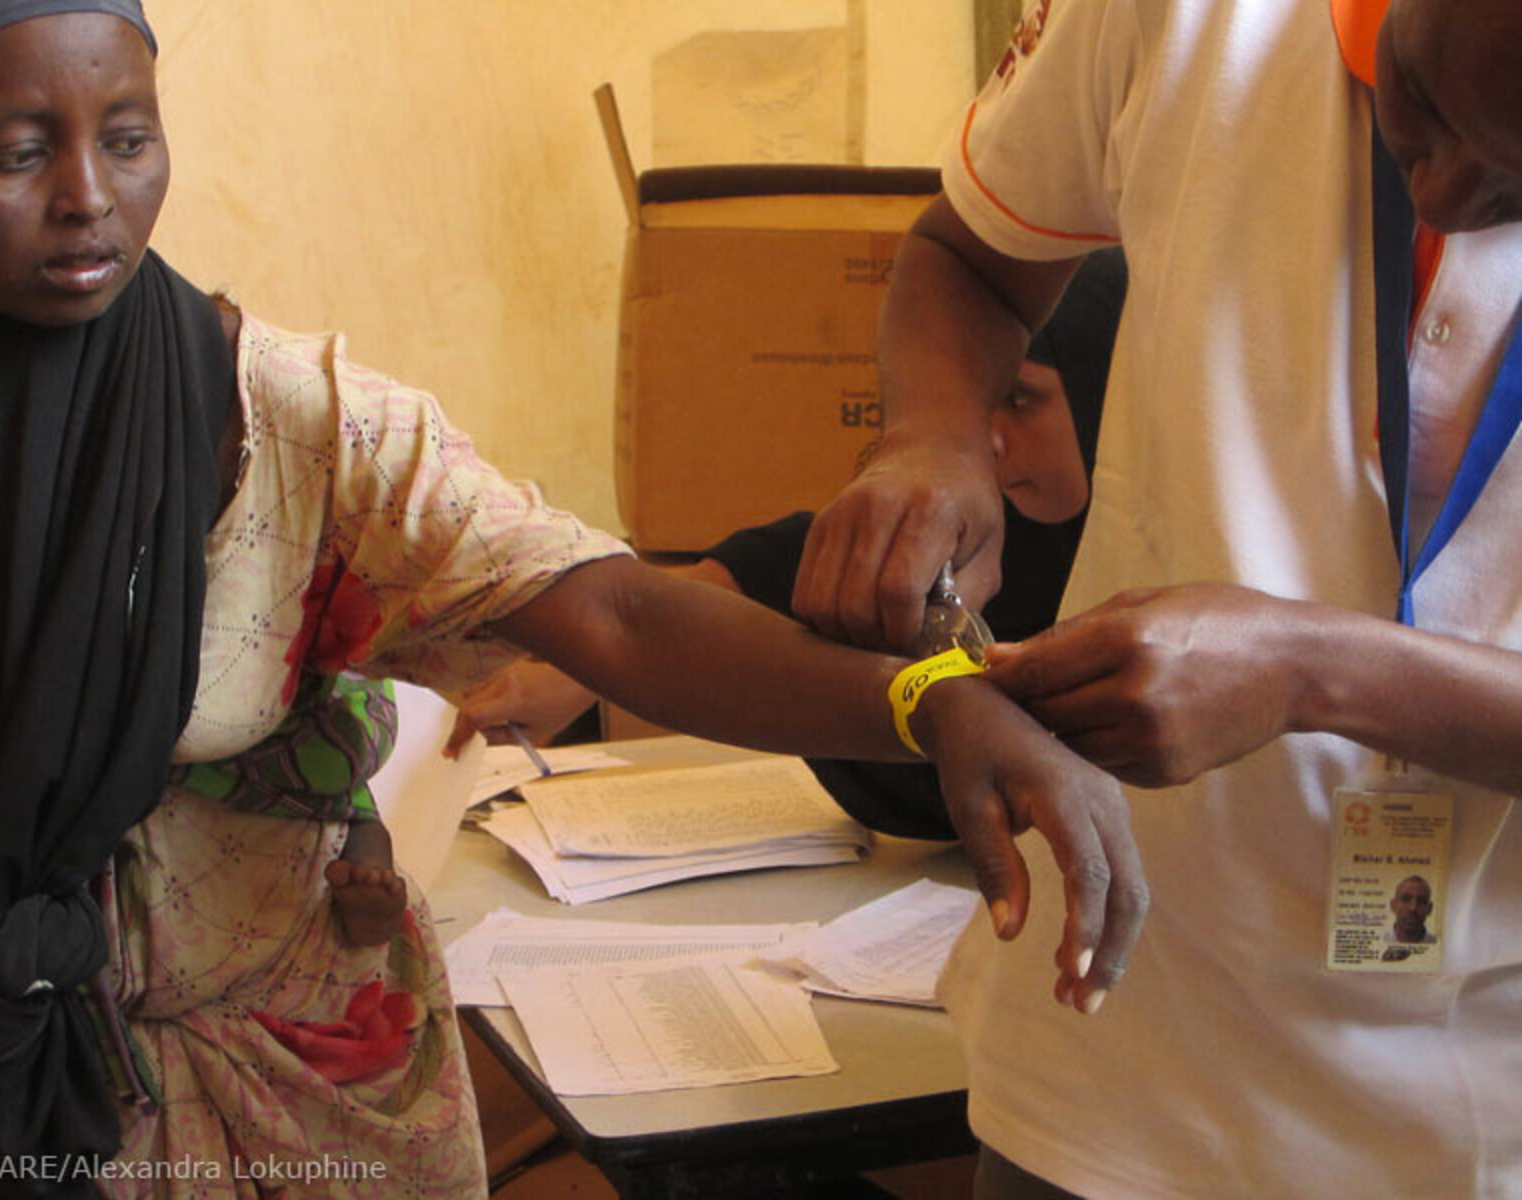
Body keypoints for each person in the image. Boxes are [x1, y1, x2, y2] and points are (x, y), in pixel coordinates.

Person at [0, 4, 1147, 1196]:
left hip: (291, 1098)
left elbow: (613, 614)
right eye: (18, 153)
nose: (88, 192)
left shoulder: (288, 423)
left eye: (129, 138)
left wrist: (930, 702)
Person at [788, 0, 1522, 1196]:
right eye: (1426, 108)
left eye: (1516, 192)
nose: (1443, 195)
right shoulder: (1181, 19)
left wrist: (1309, 672)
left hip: (1479, 1111)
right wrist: (930, 440)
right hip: (1116, 1064)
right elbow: (968, 258)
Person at [447, 249, 1126, 843]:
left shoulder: (1155, 564)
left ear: (1110, 389)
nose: (989, 438)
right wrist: (571, 677)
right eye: (980, 403)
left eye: (1022, 399)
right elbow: (770, 572)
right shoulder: (973, 522)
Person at [1386, 874, 1437, 945]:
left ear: (1429, 909)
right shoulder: (1379, 942)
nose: (1413, 908)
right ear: (1393, 905)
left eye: (1421, 901)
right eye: (1405, 899)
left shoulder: (1439, 945)